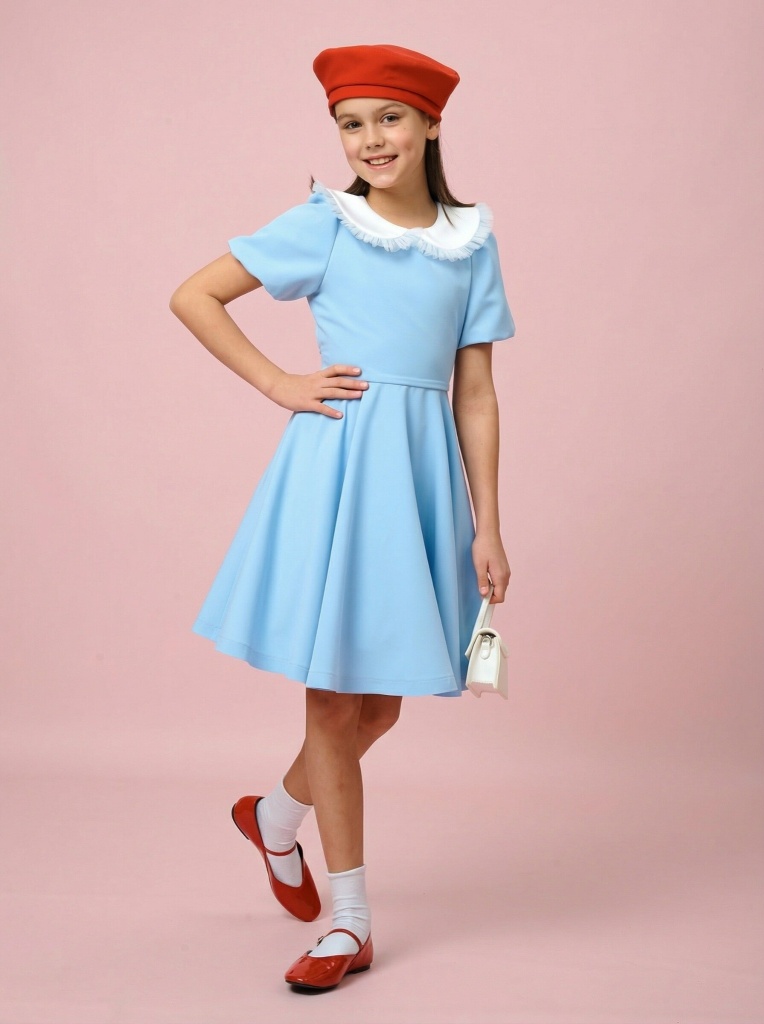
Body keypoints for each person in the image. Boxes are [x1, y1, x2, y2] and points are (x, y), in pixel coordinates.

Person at [169, 43, 515, 991]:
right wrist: (277, 381)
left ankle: (274, 818)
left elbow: (475, 392)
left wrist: (487, 524)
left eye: (389, 118)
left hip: (419, 481)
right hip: (340, 473)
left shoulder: (470, 241)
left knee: (382, 703)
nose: (369, 139)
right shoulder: (326, 224)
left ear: (431, 124)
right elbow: (195, 295)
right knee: (331, 698)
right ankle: (348, 923)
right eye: (350, 123)